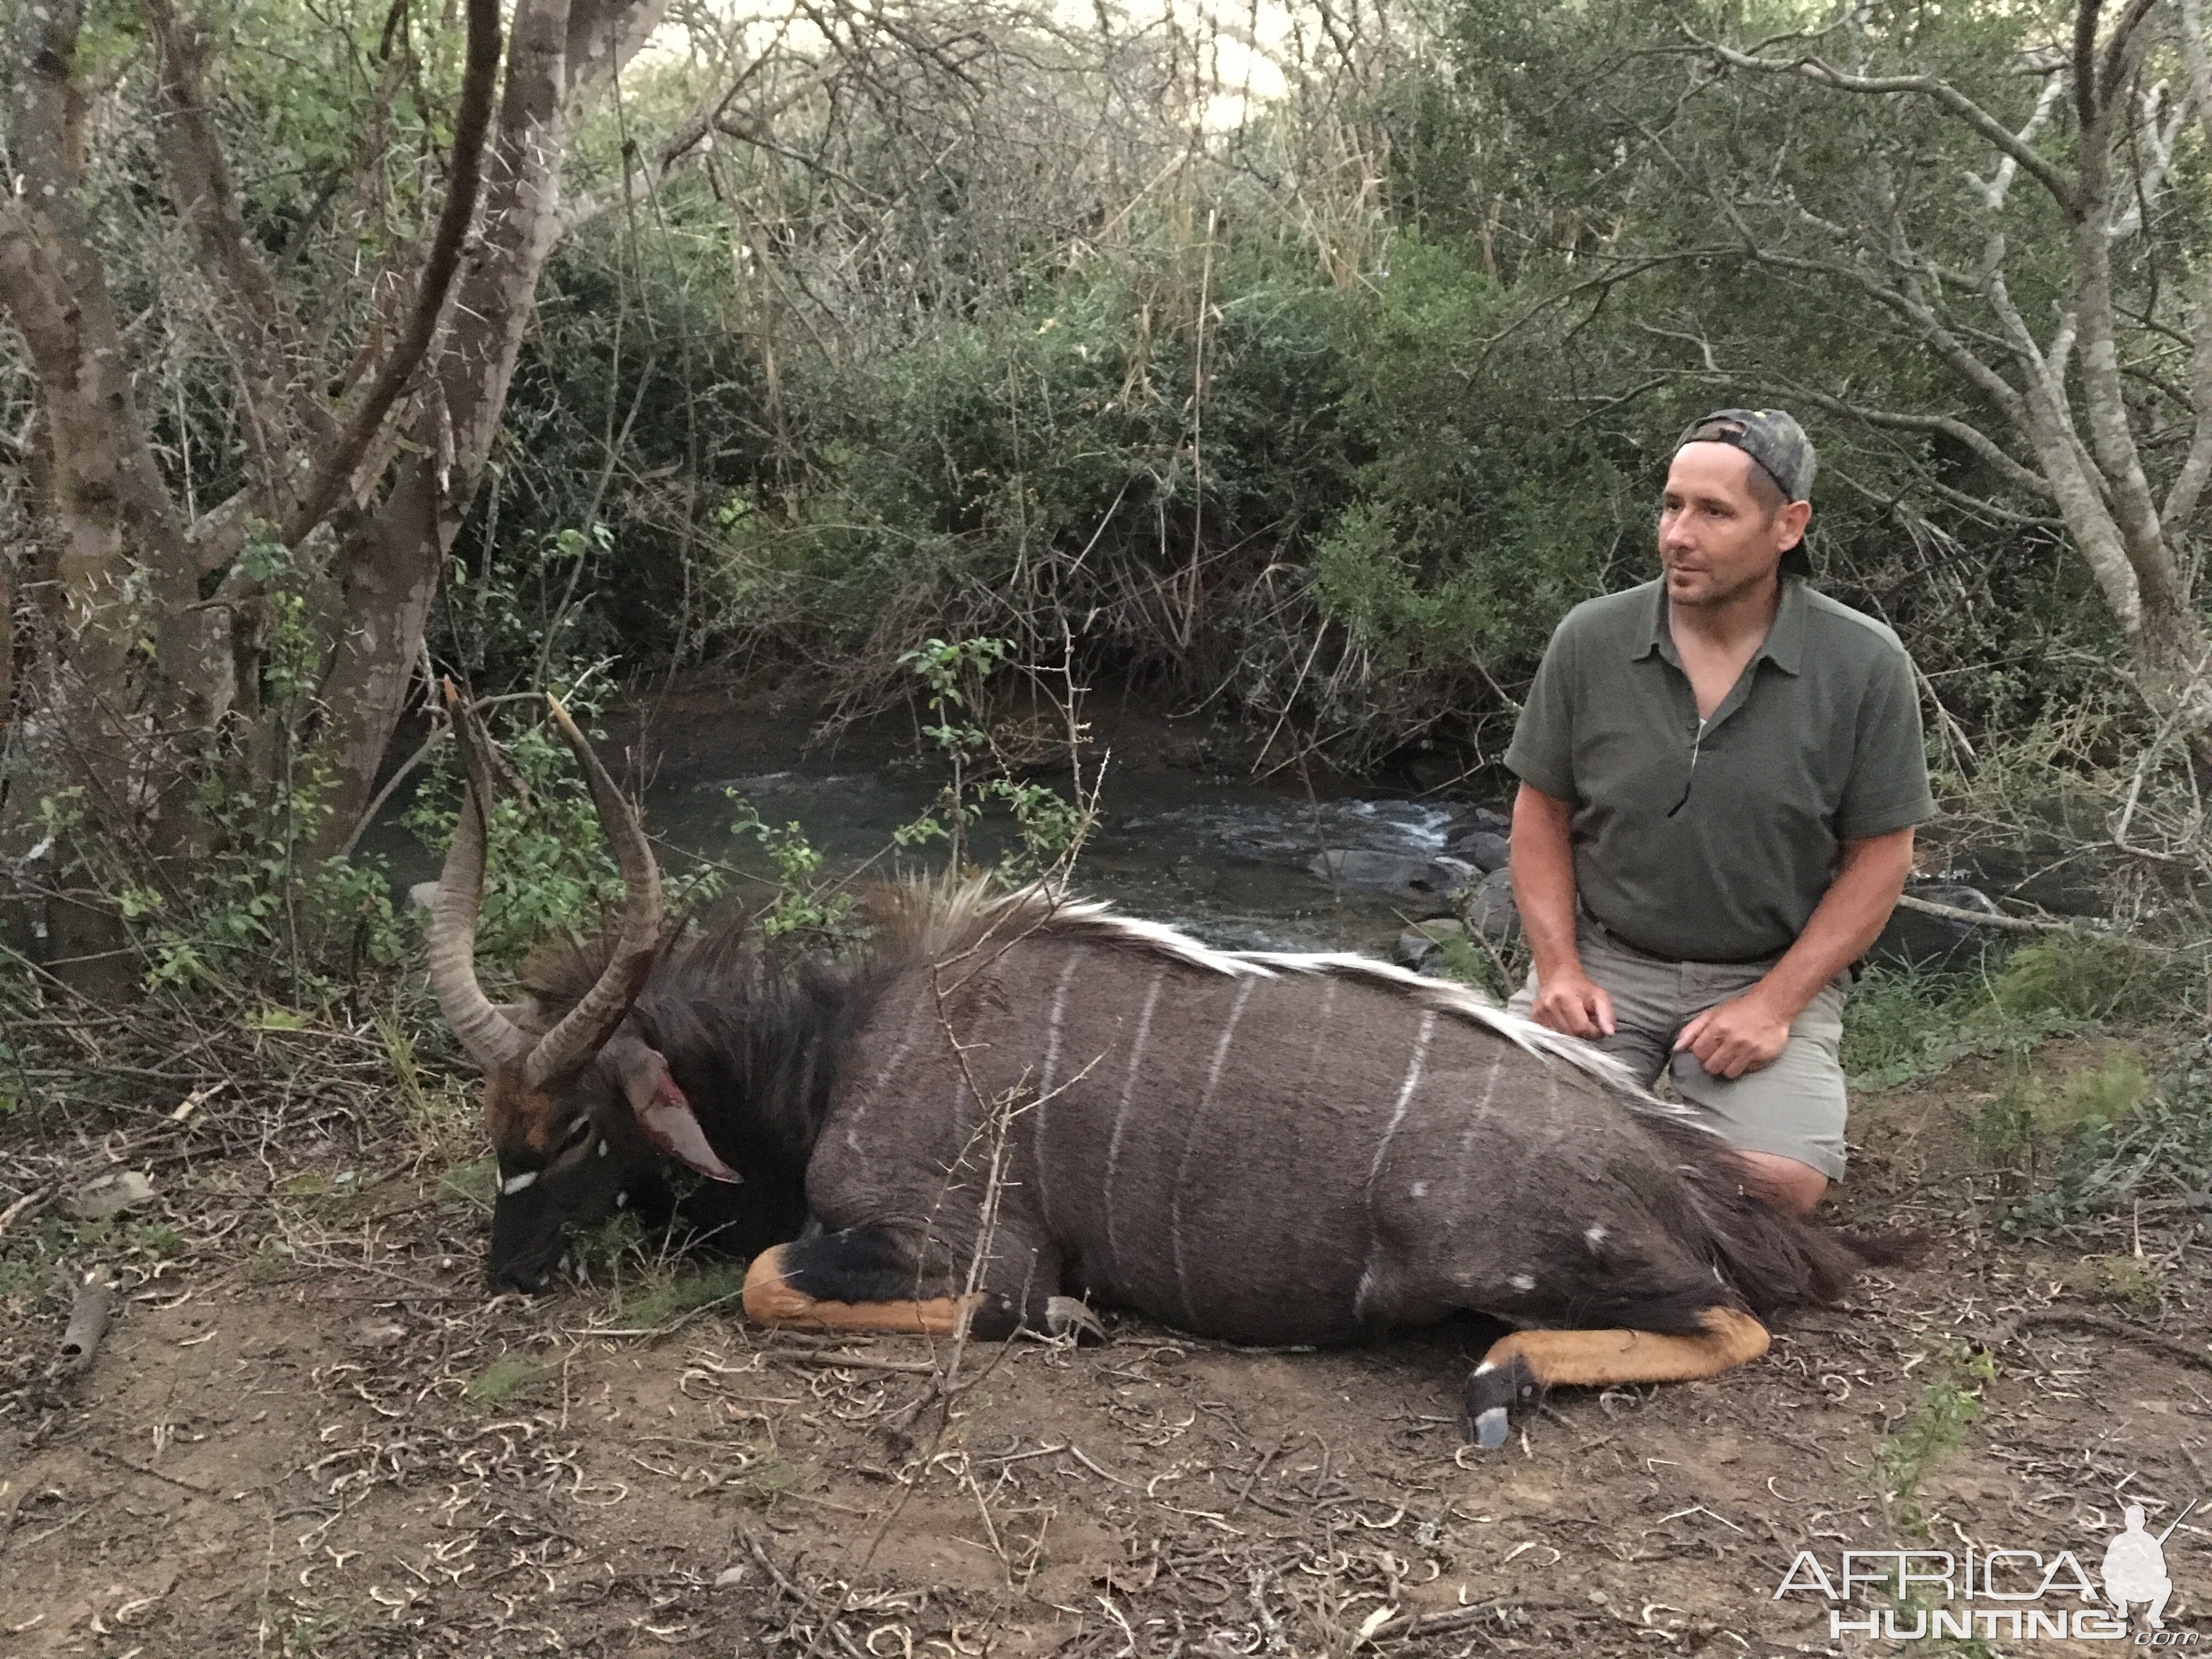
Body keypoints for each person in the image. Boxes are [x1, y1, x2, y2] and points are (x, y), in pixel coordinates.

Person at [1503, 409, 1933, 1217]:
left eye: (1713, 512)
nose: (1677, 535)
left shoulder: (1865, 664)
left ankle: (1623, 1167)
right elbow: (1540, 815)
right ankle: (1629, 1164)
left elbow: (1881, 857)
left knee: (1777, 1187)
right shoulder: (1591, 640)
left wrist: (1774, 1006)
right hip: (1606, 963)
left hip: (1761, 972)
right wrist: (1559, 968)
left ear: (1788, 525)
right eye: (1670, 506)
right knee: (1491, 1148)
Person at [2100, 1504, 2172, 1629]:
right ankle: (2122, 1608)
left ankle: (2154, 1615)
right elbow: (2107, 1568)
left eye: (2138, 1521)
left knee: (2166, 1584)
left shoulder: (2150, 1541)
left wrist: (2147, 1571)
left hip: (2143, 1585)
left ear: (2143, 1522)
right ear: (2127, 1522)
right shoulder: (2119, 1540)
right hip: (2121, 1586)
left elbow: (2162, 1569)